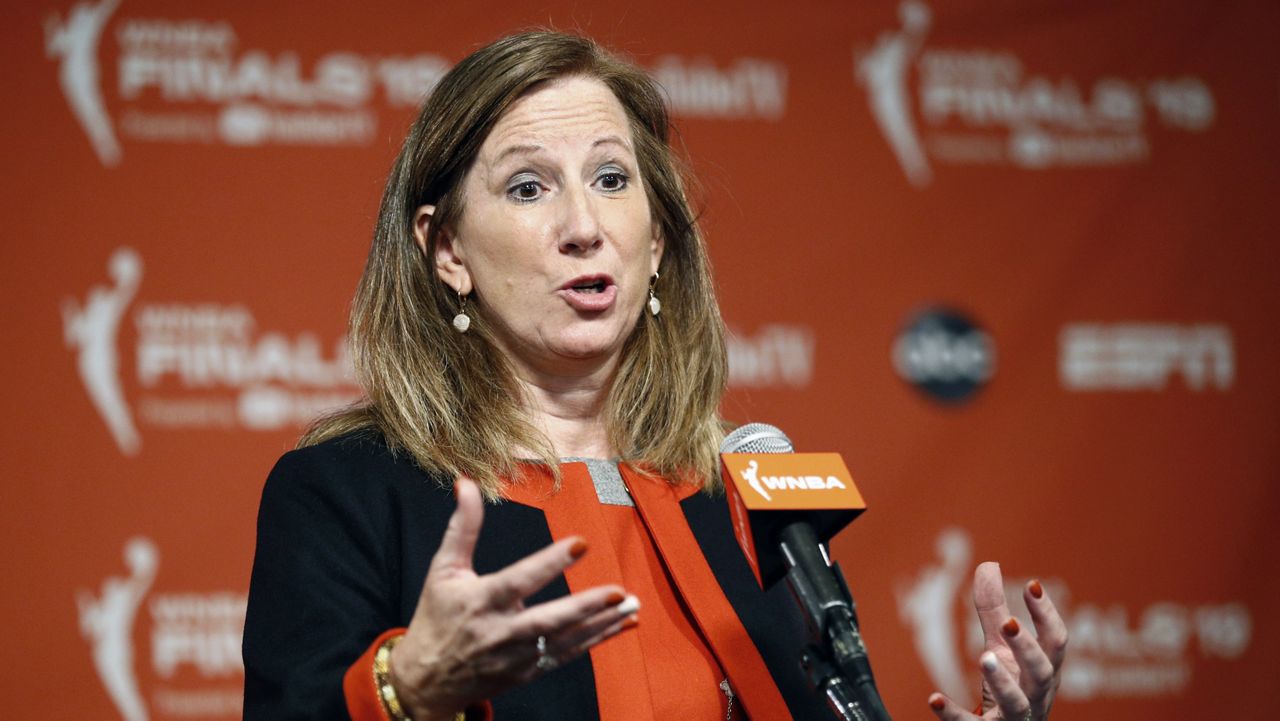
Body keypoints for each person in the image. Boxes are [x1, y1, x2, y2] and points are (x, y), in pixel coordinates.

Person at [242, 30, 1067, 721]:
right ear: (447, 250)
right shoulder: (347, 493)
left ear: (659, 241)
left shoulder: (748, 495)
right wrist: (404, 688)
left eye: (611, 178)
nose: (583, 225)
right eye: (529, 187)